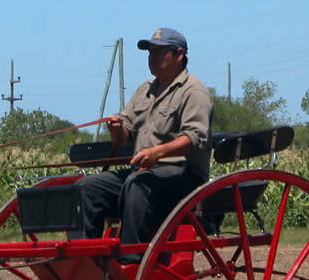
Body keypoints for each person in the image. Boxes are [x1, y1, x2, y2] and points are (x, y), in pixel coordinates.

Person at [79, 27, 213, 263]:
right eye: (150, 53)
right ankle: (88, 259)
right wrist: (116, 129)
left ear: (179, 54)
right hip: (144, 173)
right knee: (89, 186)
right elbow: (124, 139)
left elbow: (194, 138)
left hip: (184, 176)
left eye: (159, 53)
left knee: (137, 183)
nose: (152, 58)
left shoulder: (194, 92)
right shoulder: (144, 90)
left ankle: (131, 260)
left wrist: (156, 152)